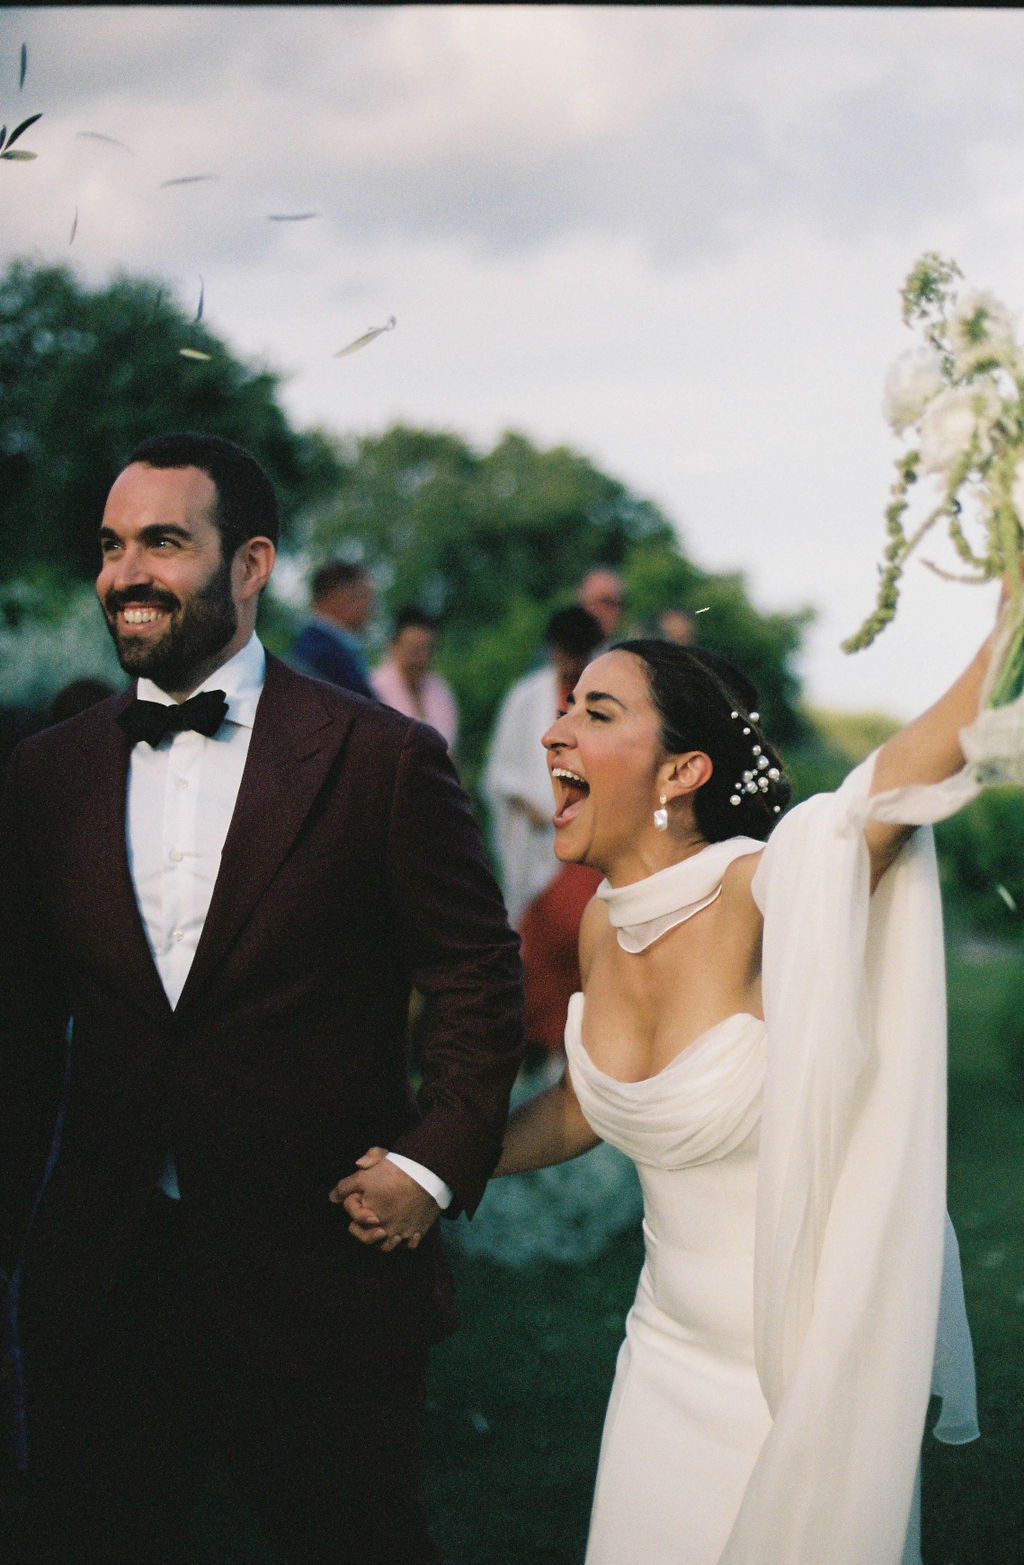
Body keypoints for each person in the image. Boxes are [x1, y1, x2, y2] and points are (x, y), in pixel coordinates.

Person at [0, 432, 523, 1565]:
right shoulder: (48, 773)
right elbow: (23, 1026)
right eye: (109, 545)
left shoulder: (378, 758)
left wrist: (432, 1160)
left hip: (320, 1276)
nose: (126, 572)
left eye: (163, 541)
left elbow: (479, 974)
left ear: (250, 565)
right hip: (109, 1274)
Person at [492, 627, 992, 1563]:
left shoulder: (762, 894)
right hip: (660, 1360)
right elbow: (587, 1106)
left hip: (790, 1384)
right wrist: (441, 1157)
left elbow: (884, 797)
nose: (555, 732)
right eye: (565, 708)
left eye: (596, 712)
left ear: (682, 771)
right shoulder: (604, 924)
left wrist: (1011, 614)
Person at [484, 607, 603, 1058]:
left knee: (583, 941)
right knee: (538, 948)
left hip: (588, 847)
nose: (571, 664)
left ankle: (578, 1050)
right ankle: (537, 1050)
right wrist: (532, 805)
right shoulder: (525, 697)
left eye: (580, 655)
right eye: (565, 654)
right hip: (533, 845)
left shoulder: (605, 699)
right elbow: (499, 773)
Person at [371, 605, 459, 751]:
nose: (421, 658)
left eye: (427, 650)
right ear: (394, 646)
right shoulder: (373, 688)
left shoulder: (442, 691)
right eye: (414, 650)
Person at [289, 558, 376, 698]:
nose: (371, 609)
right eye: (364, 597)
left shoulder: (316, 646)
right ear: (340, 598)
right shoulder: (323, 656)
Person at [577, 566, 626, 648]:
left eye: (616, 603)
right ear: (583, 604)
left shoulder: (624, 655)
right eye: (604, 601)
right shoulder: (559, 654)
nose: (612, 611)